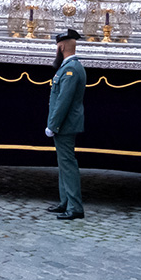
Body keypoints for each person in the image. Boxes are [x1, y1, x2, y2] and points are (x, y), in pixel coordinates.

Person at [45, 29, 86, 220]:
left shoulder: (70, 70)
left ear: (61, 47)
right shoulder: (69, 67)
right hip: (65, 125)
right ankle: (66, 203)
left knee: (68, 165)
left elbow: (63, 101)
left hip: (65, 125)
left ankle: (75, 207)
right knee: (64, 164)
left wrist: (53, 125)